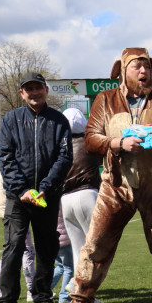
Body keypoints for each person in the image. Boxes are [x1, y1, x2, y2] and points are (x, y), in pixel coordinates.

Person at [60, 47, 152, 303]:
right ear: (122, 71)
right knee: (95, 248)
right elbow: (92, 140)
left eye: (147, 67)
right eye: (137, 67)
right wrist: (118, 144)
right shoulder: (105, 99)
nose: (144, 72)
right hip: (115, 188)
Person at [0, 72, 72, 303]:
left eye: (38, 88)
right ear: (22, 93)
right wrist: (23, 189)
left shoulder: (59, 120)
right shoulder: (11, 119)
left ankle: (42, 300)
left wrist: (44, 189)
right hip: (18, 197)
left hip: (46, 197)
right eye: (29, 89)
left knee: (47, 248)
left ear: (46, 90)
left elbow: (64, 158)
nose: (34, 93)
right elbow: (5, 156)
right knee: (13, 247)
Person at [0, 129, 36, 302]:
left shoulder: (4, 161)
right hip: (12, 210)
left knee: (13, 248)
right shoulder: (9, 162)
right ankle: (32, 290)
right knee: (26, 250)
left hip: (6, 209)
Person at [59, 107, 102, 271]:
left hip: (66, 199)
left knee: (78, 250)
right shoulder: (90, 142)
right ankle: (87, 292)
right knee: (96, 249)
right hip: (87, 194)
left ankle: (78, 290)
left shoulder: (59, 146)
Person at [51, 205, 73, 303]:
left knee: (60, 267)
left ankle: (44, 290)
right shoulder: (61, 200)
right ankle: (64, 297)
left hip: (54, 239)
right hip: (64, 239)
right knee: (69, 268)